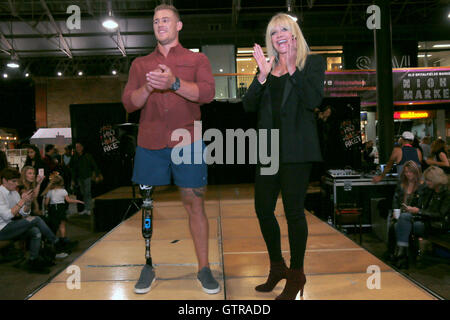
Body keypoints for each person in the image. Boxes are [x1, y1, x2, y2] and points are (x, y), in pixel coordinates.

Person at [122, 4, 218, 295]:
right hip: (149, 143)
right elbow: (129, 103)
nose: (160, 24)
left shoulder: (196, 59)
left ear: (178, 25)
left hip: (187, 141)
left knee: (195, 203)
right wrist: (150, 88)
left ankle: (204, 268)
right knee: (147, 204)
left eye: (166, 20)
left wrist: (173, 82)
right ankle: (148, 264)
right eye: (155, 21)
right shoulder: (140, 64)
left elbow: (208, 94)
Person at [242, 13, 326, 300]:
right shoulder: (266, 67)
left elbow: (314, 100)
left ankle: (298, 273)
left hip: (297, 151)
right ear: (270, 38)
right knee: (263, 209)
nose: (278, 34)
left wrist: (292, 68)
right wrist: (262, 76)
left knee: (293, 212)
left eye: (284, 29)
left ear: (294, 34)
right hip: (268, 151)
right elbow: (248, 106)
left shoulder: (312, 63)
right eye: (273, 30)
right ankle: (278, 266)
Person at [0, 168, 62, 273]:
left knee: (35, 231)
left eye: (16, 181)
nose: (16, 184)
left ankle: (33, 260)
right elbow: (7, 215)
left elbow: (24, 213)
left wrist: (27, 202)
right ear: (4, 180)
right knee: (36, 219)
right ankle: (56, 242)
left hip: (10, 226)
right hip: (2, 230)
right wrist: (22, 201)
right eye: (13, 181)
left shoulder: (14, 193)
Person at [394, 166, 450, 268]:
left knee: (399, 226)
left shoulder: (447, 194)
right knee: (404, 217)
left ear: (436, 180)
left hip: (437, 225)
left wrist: (419, 211)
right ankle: (402, 255)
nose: (426, 182)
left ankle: (401, 255)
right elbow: (422, 206)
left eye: (429, 180)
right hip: (425, 221)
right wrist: (415, 209)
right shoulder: (429, 191)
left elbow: (440, 215)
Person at [388, 161, 424, 268]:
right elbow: (395, 199)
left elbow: (421, 205)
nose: (408, 174)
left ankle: (400, 253)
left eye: (410, 172)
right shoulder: (401, 184)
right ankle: (393, 252)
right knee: (392, 225)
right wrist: (395, 211)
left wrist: (413, 210)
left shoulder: (421, 186)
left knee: (396, 226)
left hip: (414, 215)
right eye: (406, 172)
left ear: (416, 172)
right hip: (401, 213)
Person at [42, 175, 83, 256]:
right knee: (62, 225)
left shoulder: (50, 192)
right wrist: (78, 201)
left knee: (54, 225)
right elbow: (68, 200)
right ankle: (63, 240)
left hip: (53, 209)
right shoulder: (64, 191)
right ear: (62, 182)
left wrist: (46, 209)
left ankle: (54, 241)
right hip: (61, 209)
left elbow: (46, 203)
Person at [70, 142, 100, 215]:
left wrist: (97, 175)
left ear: (82, 147)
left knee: (88, 193)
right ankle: (86, 209)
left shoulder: (87, 156)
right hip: (80, 178)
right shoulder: (75, 157)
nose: (78, 148)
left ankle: (89, 209)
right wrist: (73, 180)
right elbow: (74, 169)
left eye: (79, 146)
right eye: (76, 147)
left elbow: (94, 165)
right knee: (83, 193)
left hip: (88, 177)